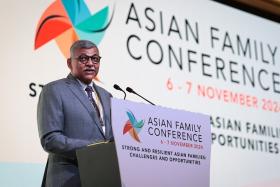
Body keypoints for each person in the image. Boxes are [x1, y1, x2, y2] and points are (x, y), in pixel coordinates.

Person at [37, 40, 113, 187]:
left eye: (95, 59)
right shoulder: (54, 90)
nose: (90, 63)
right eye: (83, 58)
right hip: (69, 179)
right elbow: (50, 139)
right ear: (69, 63)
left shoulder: (107, 96)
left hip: (104, 178)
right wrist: (94, 149)